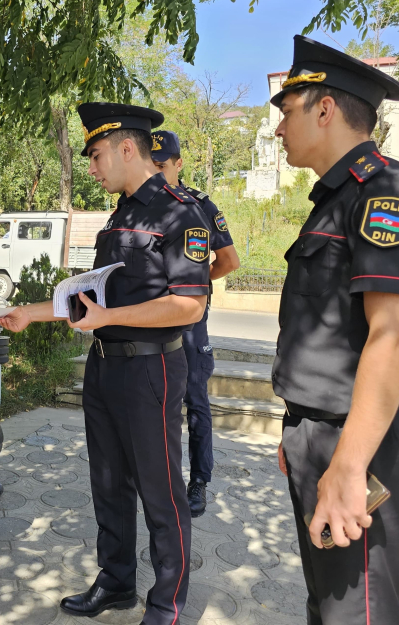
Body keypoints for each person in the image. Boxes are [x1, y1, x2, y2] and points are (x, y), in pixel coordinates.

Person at [0, 103, 212, 625]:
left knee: (160, 493)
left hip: (151, 370)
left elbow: (190, 305)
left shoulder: (180, 214)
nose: (90, 167)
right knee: (109, 484)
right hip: (105, 368)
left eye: (94, 155)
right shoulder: (121, 215)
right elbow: (93, 300)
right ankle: (116, 583)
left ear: (125, 149)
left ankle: (166, 606)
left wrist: (111, 315)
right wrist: (27, 313)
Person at [271, 35, 399, 625]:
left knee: (357, 613)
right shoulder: (337, 201)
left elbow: (393, 335)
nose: (277, 129)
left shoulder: (385, 194)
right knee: (328, 604)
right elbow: (325, 340)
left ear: (324, 108)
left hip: (358, 445)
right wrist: (299, 430)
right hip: (321, 437)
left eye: (286, 112)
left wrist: (346, 464)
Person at [151, 130, 240, 517]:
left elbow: (229, 261)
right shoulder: (139, 205)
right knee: (154, 400)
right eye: (150, 166)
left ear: (179, 164)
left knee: (195, 401)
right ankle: (157, 477)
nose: (156, 174)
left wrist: (192, 288)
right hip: (149, 321)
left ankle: (199, 481)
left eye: (162, 166)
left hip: (188, 322)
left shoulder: (199, 205)